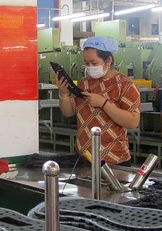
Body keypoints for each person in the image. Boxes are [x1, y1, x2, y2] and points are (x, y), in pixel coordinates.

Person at [56, 36, 141, 165]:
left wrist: (103, 103)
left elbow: (133, 122)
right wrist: (63, 94)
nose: (90, 67)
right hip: (84, 157)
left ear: (108, 61)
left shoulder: (124, 84)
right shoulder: (84, 83)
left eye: (94, 63)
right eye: (86, 63)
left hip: (113, 158)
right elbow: (68, 112)